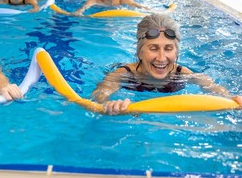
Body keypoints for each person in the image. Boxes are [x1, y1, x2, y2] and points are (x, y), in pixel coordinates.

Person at [91, 13, 242, 115]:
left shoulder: (183, 74)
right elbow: (99, 96)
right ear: (140, 52)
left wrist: (232, 98)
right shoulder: (122, 74)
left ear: (176, 52)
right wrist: (108, 105)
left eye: (168, 48)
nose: (161, 58)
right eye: (153, 48)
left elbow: (213, 88)